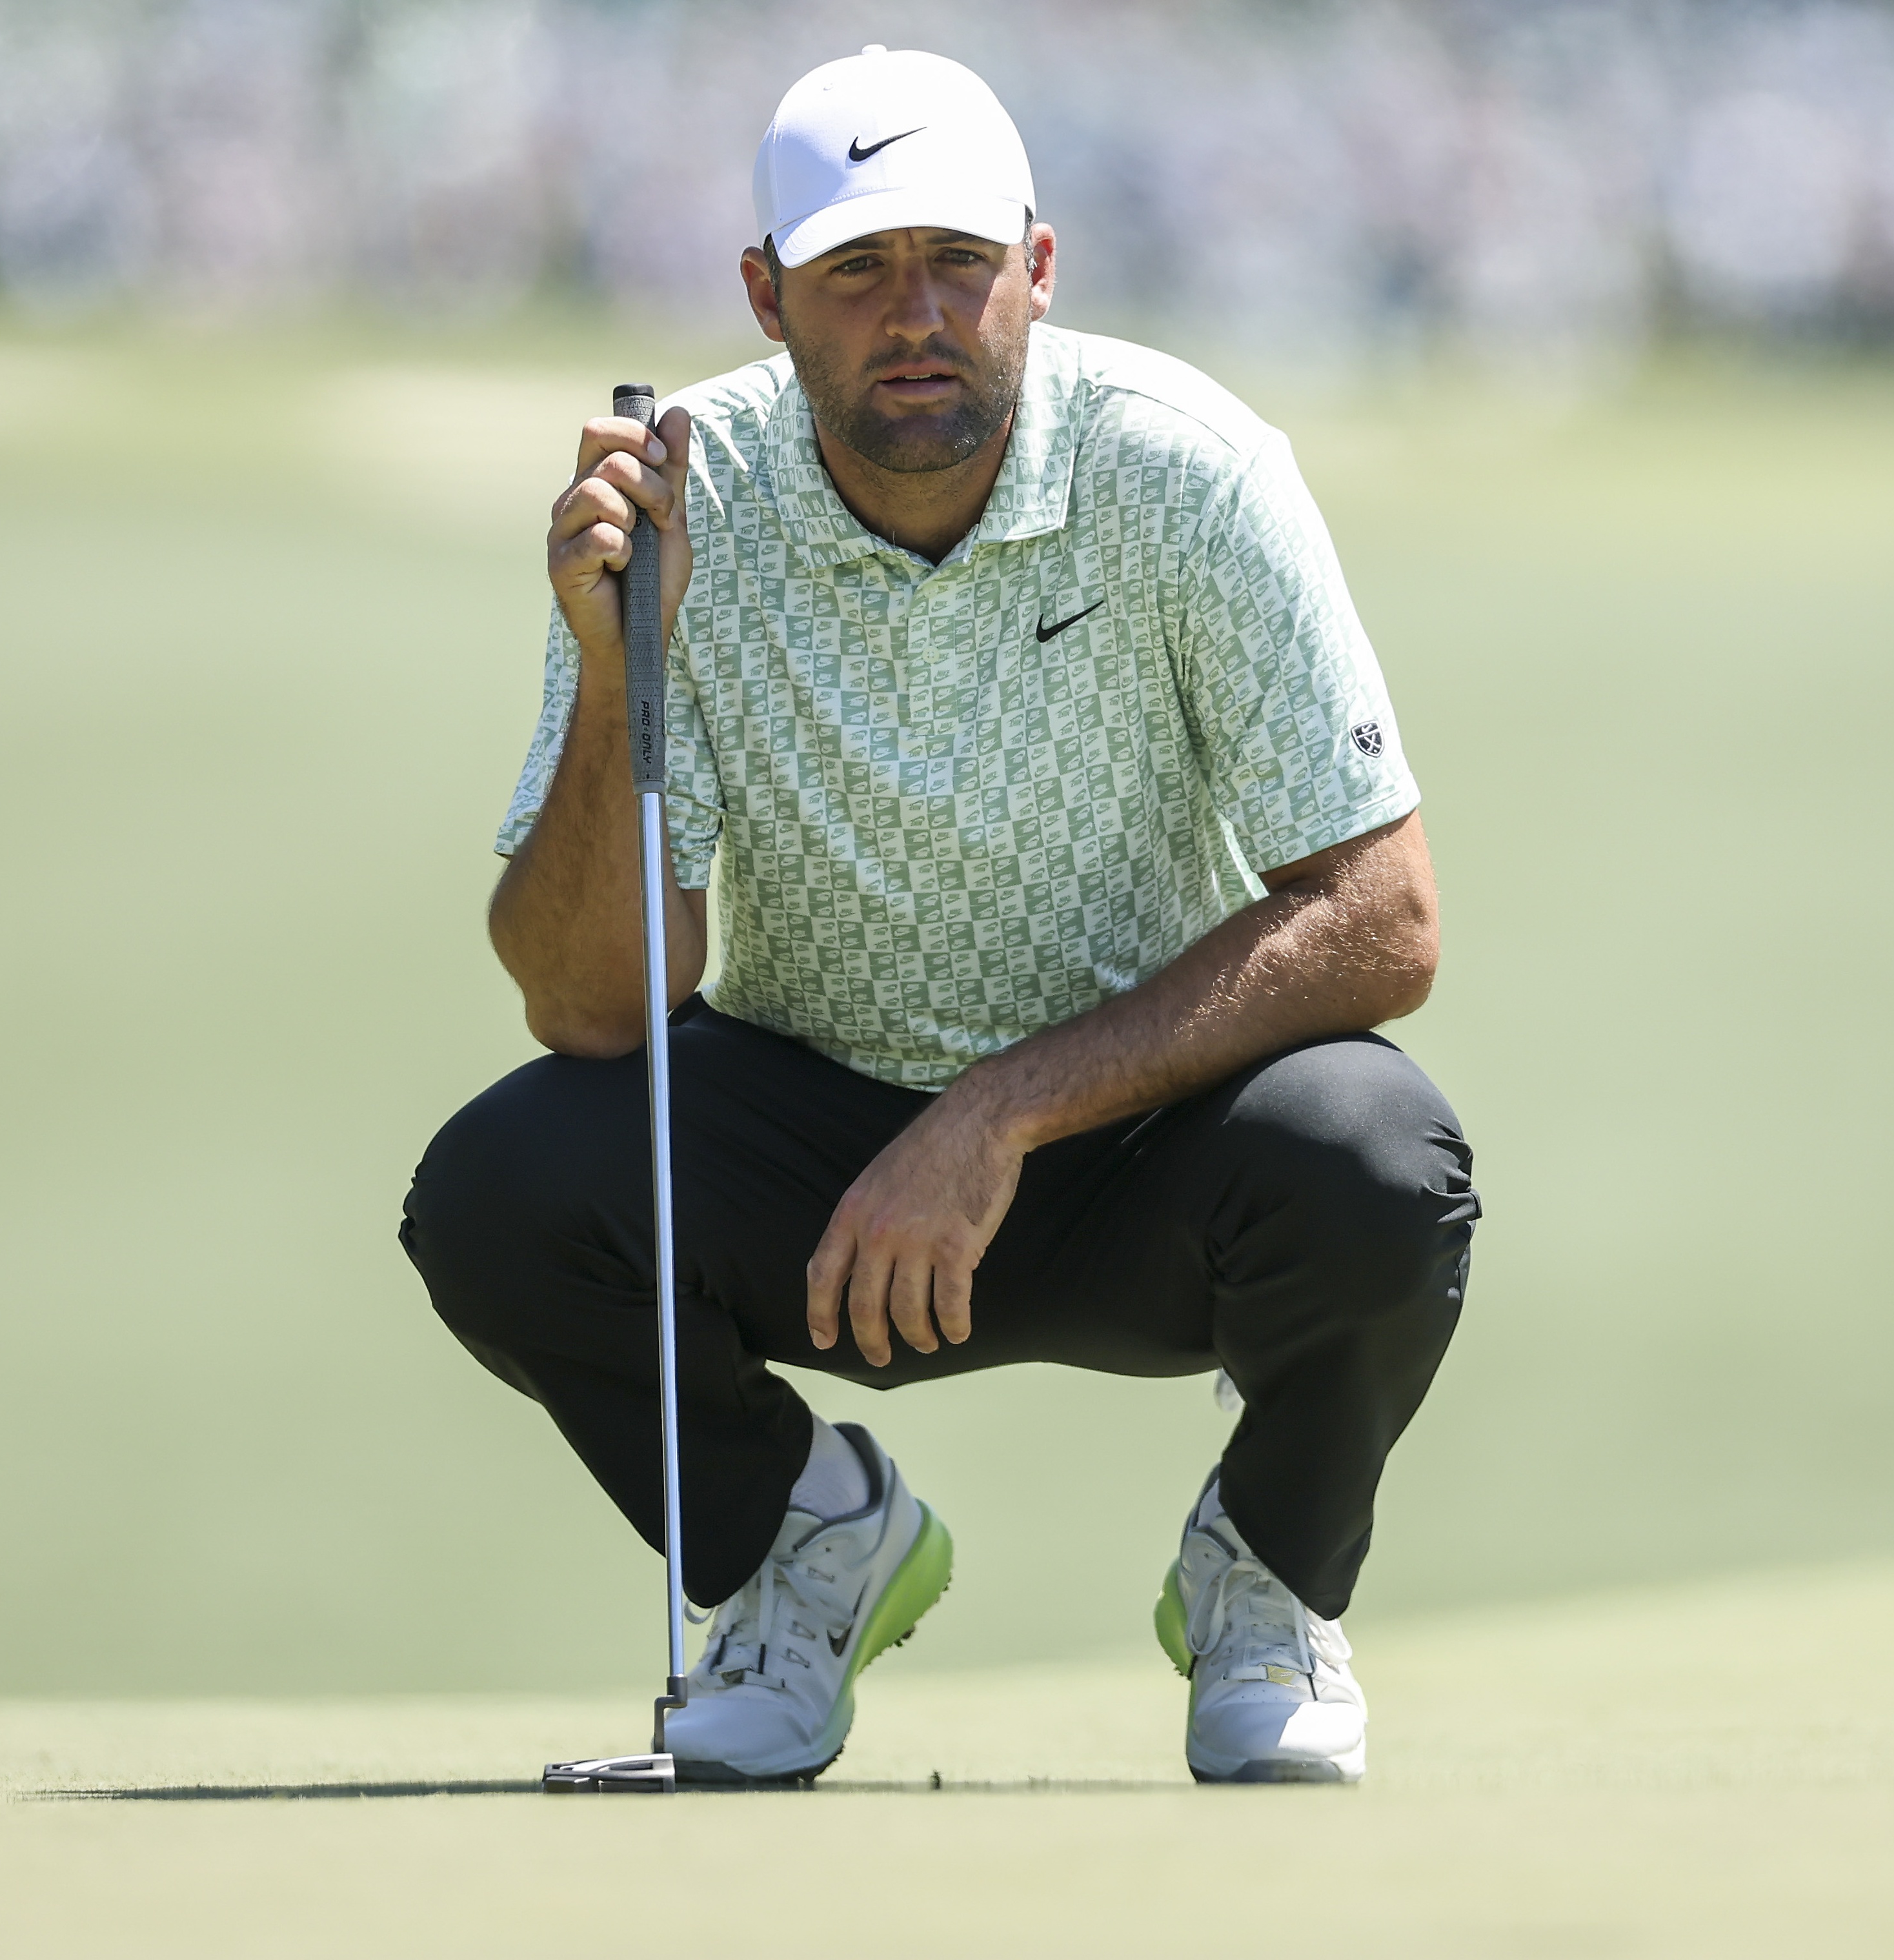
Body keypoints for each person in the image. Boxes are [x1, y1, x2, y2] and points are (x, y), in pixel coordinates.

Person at [401, 45, 1476, 1786]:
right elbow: (601, 1011)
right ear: (767, 297)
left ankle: (1266, 1583)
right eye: (854, 272)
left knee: (1377, 1153)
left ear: (1037, 272)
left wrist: (998, 1112)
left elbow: (1383, 915)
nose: (916, 314)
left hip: (1141, 1147)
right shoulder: (680, 502)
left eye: (957, 263)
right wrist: (620, 672)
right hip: (822, 1176)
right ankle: (801, 1542)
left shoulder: (1188, 470)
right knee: (501, 1192)